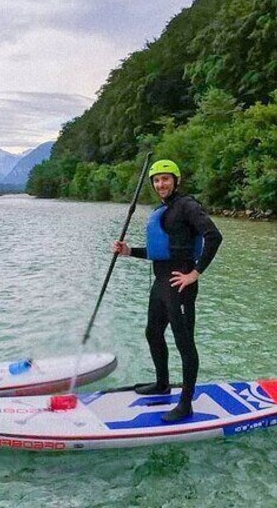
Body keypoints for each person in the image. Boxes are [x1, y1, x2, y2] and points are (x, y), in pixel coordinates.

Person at [113, 159, 222, 422]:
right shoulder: (164, 209)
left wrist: (195, 273)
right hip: (160, 284)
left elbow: (214, 236)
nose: (161, 184)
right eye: (157, 180)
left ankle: (186, 403)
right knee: (153, 333)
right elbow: (160, 252)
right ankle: (162, 384)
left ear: (176, 180)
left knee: (185, 344)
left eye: (166, 178)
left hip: (180, 285)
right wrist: (129, 252)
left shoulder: (187, 205)